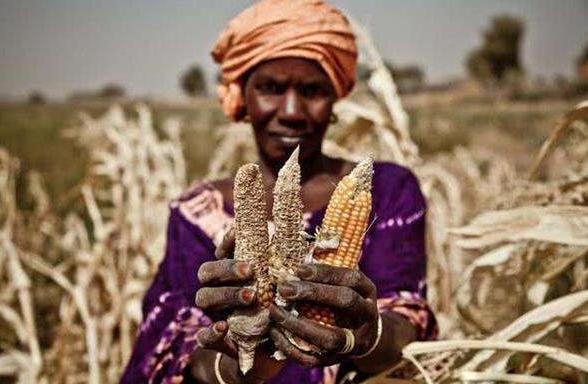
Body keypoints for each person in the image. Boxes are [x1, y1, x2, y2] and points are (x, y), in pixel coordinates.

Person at [121, 1, 437, 383]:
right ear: (243, 99)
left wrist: (369, 336)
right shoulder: (194, 215)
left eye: (312, 90)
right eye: (270, 88)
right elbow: (176, 345)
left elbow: (407, 323)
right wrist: (238, 364)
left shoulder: (387, 191)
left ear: (335, 99)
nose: (292, 111)